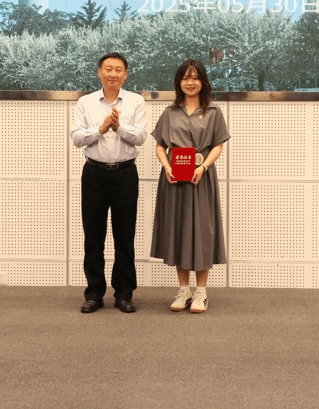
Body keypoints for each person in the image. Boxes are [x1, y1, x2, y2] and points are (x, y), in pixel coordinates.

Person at [151, 59, 230, 313]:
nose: (190, 82)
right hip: (174, 180)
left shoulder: (214, 112)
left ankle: (201, 293)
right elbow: (160, 145)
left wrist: (203, 167)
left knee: (202, 232)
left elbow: (218, 145)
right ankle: (184, 291)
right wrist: (166, 166)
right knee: (179, 231)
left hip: (200, 178)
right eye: (185, 78)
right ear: (179, 82)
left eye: (195, 77)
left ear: (203, 82)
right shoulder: (169, 112)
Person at [70, 52, 147, 313]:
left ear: (125, 75)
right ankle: (94, 293)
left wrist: (119, 128)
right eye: (108, 69)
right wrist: (100, 130)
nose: (113, 73)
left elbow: (141, 137)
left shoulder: (136, 101)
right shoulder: (86, 102)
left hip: (126, 175)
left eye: (118, 69)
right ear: (99, 72)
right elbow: (76, 138)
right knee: (93, 236)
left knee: (125, 237)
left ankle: (124, 294)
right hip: (94, 174)